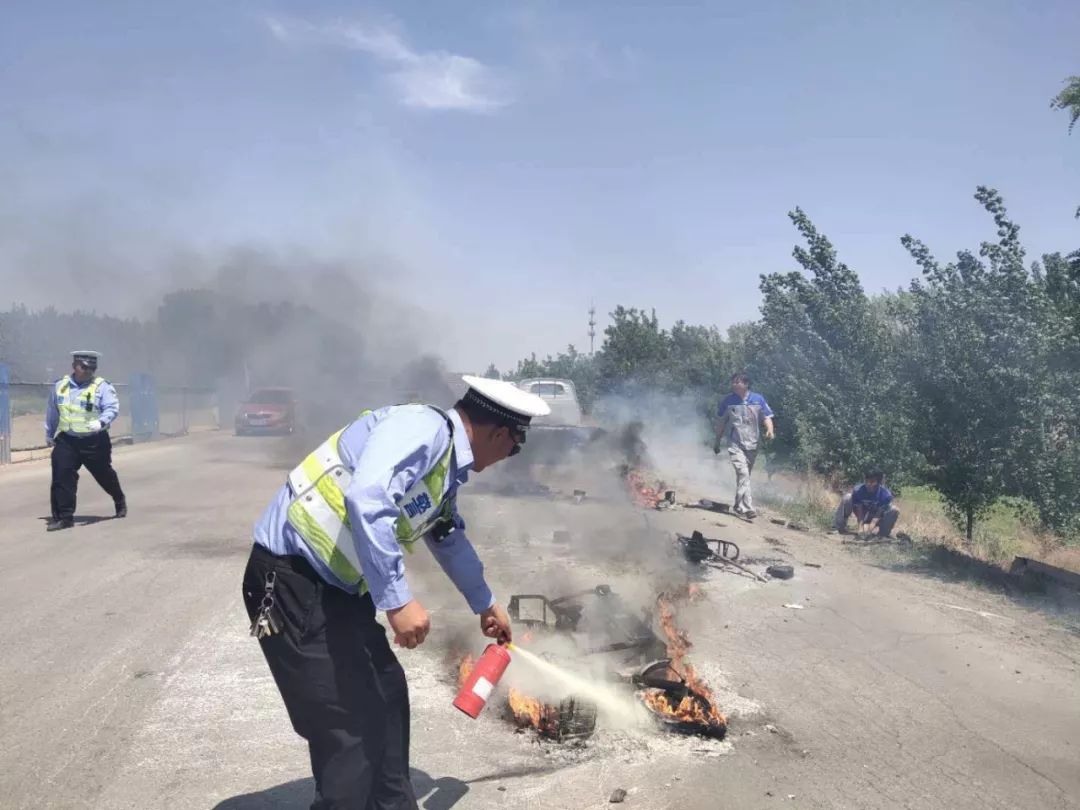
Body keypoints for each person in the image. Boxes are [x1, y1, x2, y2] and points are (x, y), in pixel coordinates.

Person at [241, 375, 550, 810]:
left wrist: (485, 603)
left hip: (335, 593)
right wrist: (399, 600)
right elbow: (368, 497)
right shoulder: (422, 429)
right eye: (515, 446)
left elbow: (447, 536)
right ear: (499, 434)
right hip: (290, 582)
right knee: (345, 728)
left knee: (386, 697)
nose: (510, 456)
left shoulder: (444, 467)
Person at [44, 350, 127, 532]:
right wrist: (49, 434)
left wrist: (101, 422)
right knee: (61, 475)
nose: (89, 371)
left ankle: (118, 498)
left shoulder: (102, 386)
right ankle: (64, 517)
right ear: (74, 366)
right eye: (84, 367)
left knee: (103, 474)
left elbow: (112, 408)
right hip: (68, 440)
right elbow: (52, 410)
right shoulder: (60, 386)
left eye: (92, 368)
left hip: (94, 441)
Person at [714, 372, 775, 520]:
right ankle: (748, 508)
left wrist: (770, 430)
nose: (734, 384)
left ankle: (738, 505)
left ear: (746, 384)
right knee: (743, 474)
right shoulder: (728, 401)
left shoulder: (758, 399)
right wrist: (717, 441)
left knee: (744, 476)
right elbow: (721, 422)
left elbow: (767, 417)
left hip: (753, 444)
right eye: (733, 382)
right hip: (735, 443)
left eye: (737, 382)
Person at [834, 469, 900, 538]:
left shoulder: (885, 495)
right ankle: (838, 527)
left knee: (894, 510)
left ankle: (882, 535)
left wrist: (869, 530)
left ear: (879, 482)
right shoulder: (858, 490)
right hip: (863, 514)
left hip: (876, 516)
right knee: (847, 497)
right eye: (866, 481)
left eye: (872, 482)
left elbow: (877, 516)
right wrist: (860, 529)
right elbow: (859, 511)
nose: (868, 484)